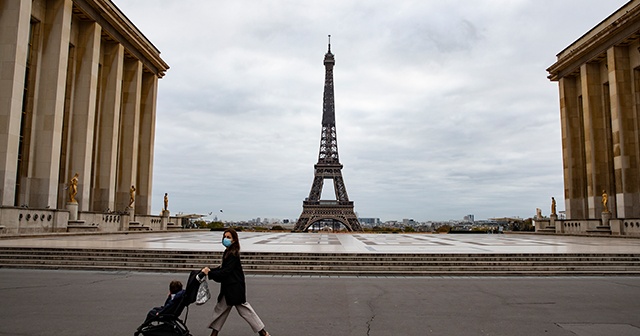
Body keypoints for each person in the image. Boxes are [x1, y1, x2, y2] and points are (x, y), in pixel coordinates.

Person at [201, 229, 270, 336]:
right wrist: (210, 270)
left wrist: (210, 273)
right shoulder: (229, 252)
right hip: (230, 288)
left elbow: (226, 271)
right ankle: (214, 334)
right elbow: (223, 268)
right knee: (221, 310)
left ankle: (263, 333)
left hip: (234, 289)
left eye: (228, 237)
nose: (225, 239)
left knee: (245, 311)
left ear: (234, 240)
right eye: (225, 236)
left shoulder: (232, 254)